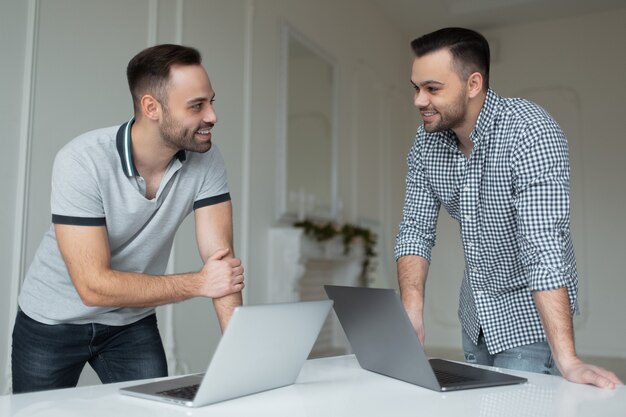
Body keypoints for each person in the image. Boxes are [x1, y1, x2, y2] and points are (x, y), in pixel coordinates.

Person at [394, 27, 622, 389]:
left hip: (526, 318)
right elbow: (415, 230)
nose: (419, 100)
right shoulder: (427, 142)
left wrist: (568, 359)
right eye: (416, 87)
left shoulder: (530, 132)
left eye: (433, 89)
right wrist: (411, 312)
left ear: (473, 84)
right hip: (475, 316)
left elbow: (542, 246)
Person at [11, 44, 245, 394]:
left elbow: (221, 268)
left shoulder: (207, 160)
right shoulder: (82, 160)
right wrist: (198, 283)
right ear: (152, 107)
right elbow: (92, 286)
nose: (212, 116)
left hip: (130, 322)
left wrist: (241, 361)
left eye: (211, 101)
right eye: (197, 105)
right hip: (52, 322)